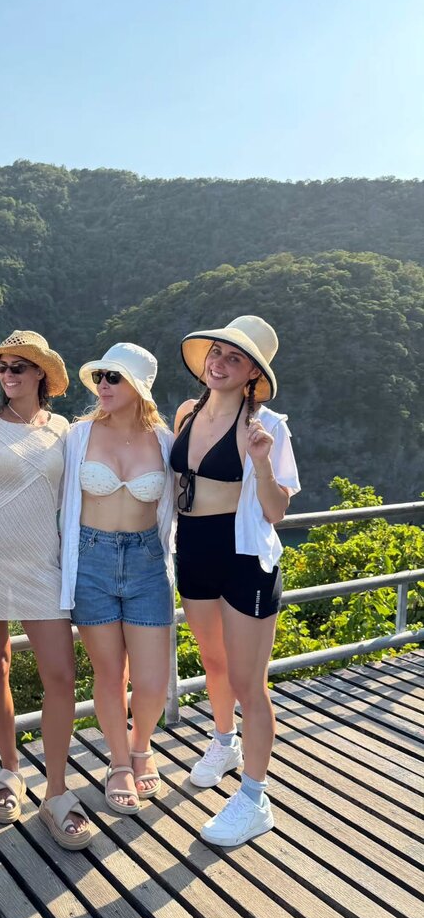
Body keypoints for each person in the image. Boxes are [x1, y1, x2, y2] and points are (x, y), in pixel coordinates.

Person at [0, 331, 91, 850]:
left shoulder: (65, 431)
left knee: (61, 675)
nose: (7, 374)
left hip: (42, 565)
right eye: (1, 366)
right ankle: (10, 770)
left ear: (40, 375)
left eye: (18, 367)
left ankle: (57, 790)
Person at [170, 316, 300, 846]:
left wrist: (262, 462)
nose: (220, 364)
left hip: (243, 556)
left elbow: (276, 511)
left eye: (235, 358)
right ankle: (224, 742)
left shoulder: (266, 427)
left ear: (252, 374)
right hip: (193, 551)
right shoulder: (186, 412)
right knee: (214, 661)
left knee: (250, 682)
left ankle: (254, 799)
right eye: (216, 353)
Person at [59, 343, 175, 815]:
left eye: (114, 377)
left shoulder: (166, 442)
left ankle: (142, 745)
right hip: (91, 560)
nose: (102, 385)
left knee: (151, 680)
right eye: (100, 377)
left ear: (139, 387)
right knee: (109, 674)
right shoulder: (77, 435)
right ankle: (121, 762)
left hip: (147, 561)